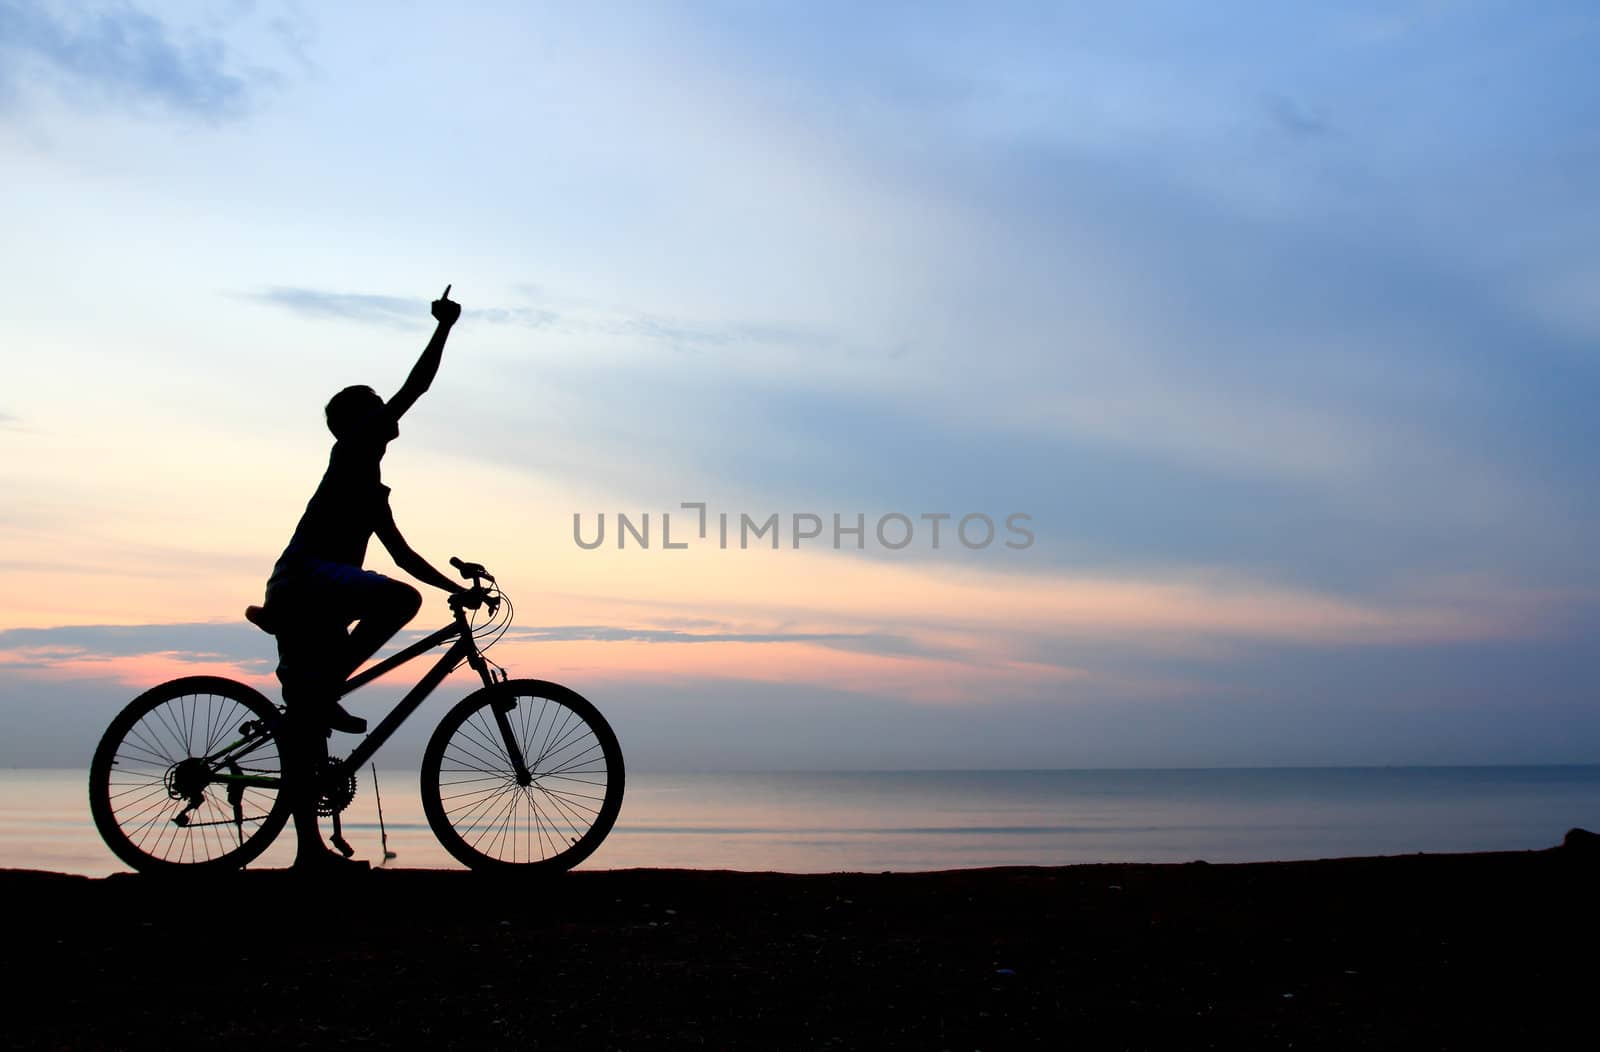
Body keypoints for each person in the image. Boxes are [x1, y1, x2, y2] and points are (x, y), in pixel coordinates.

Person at [254, 284, 464, 870]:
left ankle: (309, 855)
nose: (385, 414)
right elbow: (415, 389)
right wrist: (444, 327)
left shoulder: (371, 490)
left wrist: (458, 590)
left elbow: (403, 554)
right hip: (306, 581)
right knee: (398, 602)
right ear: (354, 422)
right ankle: (327, 687)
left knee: (306, 730)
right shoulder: (350, 452)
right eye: (374, 407)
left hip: (319, 593)